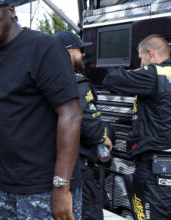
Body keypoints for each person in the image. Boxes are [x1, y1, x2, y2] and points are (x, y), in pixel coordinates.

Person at [0, 1, 83, 219]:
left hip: (44, 188)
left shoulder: (43, 47)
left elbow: (71, 114)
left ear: (10, 9)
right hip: (5, 186)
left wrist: (61, 188)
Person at [103, 34, 171, 220]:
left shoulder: (154, 75)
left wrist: (140, 69)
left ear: (150, 53)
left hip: (156, 167)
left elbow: (112, 79)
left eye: (141, 59)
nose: (141, 64)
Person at [54, 31, 115, 220]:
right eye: (79, 50)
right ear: (68, 52)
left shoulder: (46, 82)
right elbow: (87, 123)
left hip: (54, 169)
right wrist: (104, 137)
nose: (83, 55)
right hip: (78, 169)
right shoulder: (77, 83)